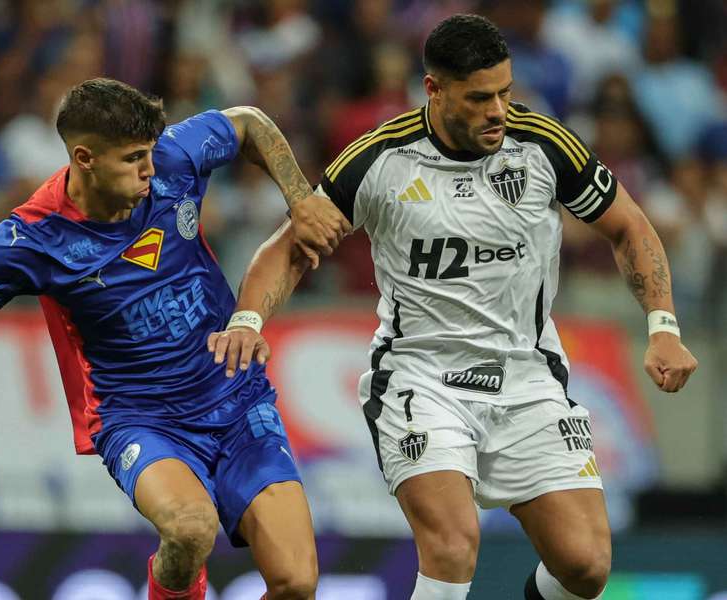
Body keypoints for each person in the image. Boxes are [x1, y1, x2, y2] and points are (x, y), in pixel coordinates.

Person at [209, 14, 698, 600]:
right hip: (421, 379)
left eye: (505, 92)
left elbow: (630, 226)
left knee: (587, 568)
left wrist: (663, 325)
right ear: (434, 90)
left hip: (526, 377)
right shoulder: (379, 160)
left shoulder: (542, 144)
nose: (498, 110)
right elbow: (290, 247)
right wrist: (248, 318)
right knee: (452, 547)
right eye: (480, 97)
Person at [0, 77, 350, 600]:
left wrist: (300, 199)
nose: (150, 170)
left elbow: (248, 124)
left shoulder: (171, 160)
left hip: (237, 398)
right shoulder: (32, 239)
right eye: (132, 159)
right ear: (85, 158)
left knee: (296, 582)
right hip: (141, 419)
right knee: (190, 530)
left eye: (149, 152)